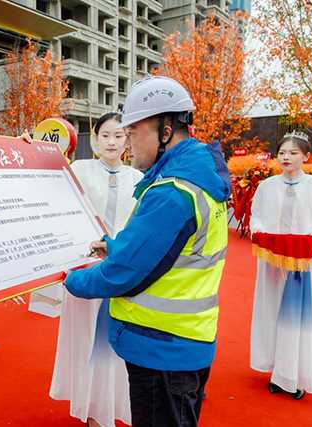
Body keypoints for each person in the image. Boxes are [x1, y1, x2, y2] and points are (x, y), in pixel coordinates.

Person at [63, 76, 231, 427]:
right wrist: (113, 246)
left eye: (133, 132)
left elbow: (123, 273)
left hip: (160, 348)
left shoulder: (172, 192)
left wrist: (70, 278)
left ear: (165, 131)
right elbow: (168, 251)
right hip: (186, 339)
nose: (128, 144)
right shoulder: (199, 179)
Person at [49, 112, 142, 427]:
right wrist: (30, 147)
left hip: (124, 270)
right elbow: (48, 189)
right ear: (95, 138)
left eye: (118, 135)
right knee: (87, 338)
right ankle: (91, 406)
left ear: (127, 139)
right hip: (87, 269)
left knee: (119, 339)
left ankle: (114, 403)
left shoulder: (138, 179)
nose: (112, 142)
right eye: (105, 135)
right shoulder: (78, 170)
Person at [249, 131, 312, 399]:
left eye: (293, 153)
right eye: (282, 152)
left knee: (299, 317)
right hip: (272, 261)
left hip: (303, 262)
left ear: (306, 156)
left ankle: (296, 375)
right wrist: (258, 232)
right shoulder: (266, 186)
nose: (286, 157)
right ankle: (276, 370)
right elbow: (256, 217)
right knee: (270, 311)